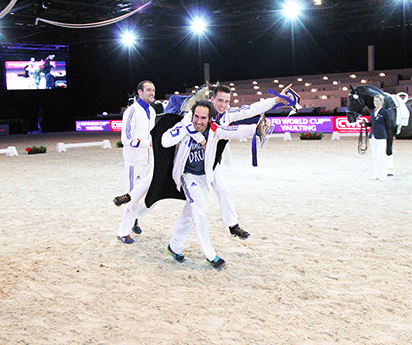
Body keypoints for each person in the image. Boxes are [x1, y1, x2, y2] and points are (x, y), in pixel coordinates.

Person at [180, 84, 293, 240]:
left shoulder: (227, 115)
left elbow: (251, 109)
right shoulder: (199, 113)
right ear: (212, 99)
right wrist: (201, 139)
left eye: (227, 102)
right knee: (155, 190)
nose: (223, 105)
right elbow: (185, 125)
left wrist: (276, 100)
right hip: (189, 166)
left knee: (224, 191)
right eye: (220, 100)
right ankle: (136, 215)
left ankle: (233, 226)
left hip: (211, 162)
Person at [162, 100, 264, 269]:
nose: (198, 121)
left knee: (188, 215)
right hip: (188, 177)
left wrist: (256, 129)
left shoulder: (215, 130)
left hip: (204, 178)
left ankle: (174, 247)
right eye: (196, 116)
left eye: (203, 118)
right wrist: (186, 130)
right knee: (201, 212)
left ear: (209, 119)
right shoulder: (184, 126)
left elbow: (234, 131)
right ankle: (211, 255)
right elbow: (165, 141)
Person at [116, 80, 157, 244]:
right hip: (135, 161)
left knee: (154, 196)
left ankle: (135, 218)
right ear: (139, 92)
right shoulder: (131, 111)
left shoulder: (152, 111)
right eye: (148, 90)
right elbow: (125, 138)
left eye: (153, 90)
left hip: (150, 160)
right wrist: (147, 144)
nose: (152, 92)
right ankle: (122, 232)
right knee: (133, 198)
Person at [365, 94, 391, 181]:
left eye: (377, 101)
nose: (375, 103)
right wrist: (365, 123)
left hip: (381, 136)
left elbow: (388, 125)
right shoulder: (372, 111)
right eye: (374, 101)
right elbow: (372, 123)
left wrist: (386, 134)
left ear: (381, 102)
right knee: (375, 156)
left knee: (381, 156)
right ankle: (376, 174)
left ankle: (384, 174)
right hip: (372, 135)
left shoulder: (385, 112)